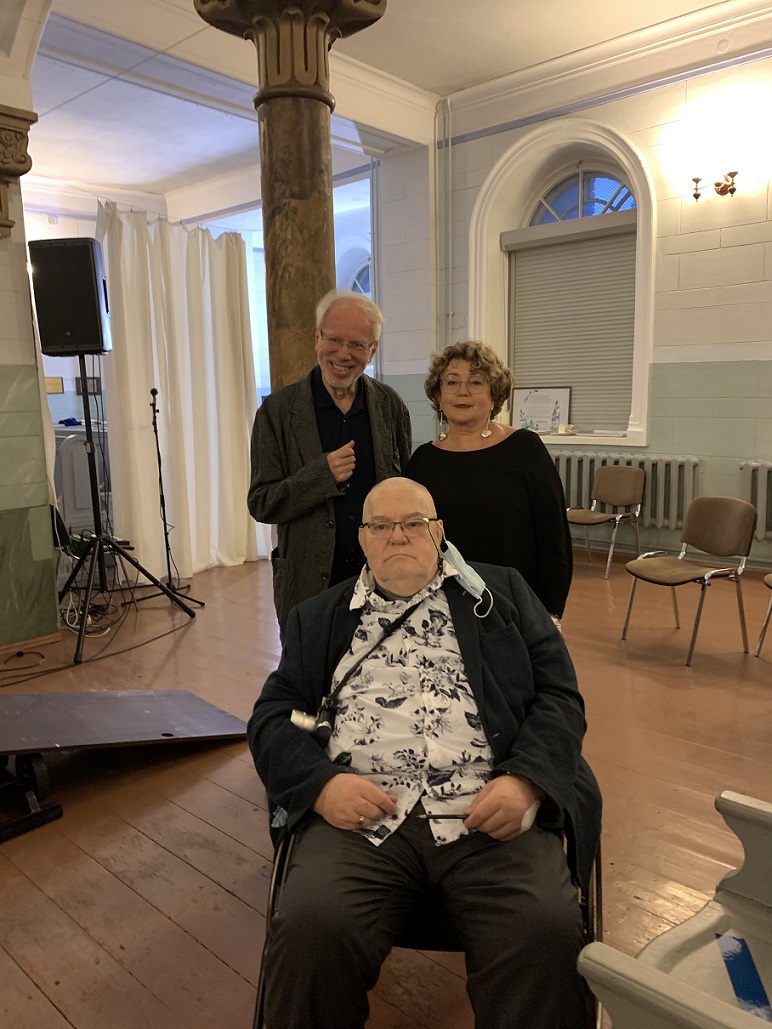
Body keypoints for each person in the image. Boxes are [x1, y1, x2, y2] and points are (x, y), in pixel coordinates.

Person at [247, 477, 601, 1029]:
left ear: (438, 532)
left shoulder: (501, 595)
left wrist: (526, 781)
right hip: (361, 821)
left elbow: (560, 695)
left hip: (488, 810)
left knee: (544, 931)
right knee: (311, 928)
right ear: (362, 539)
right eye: (381, 526)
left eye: (414, 523)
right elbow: (272, 718)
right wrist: (320, 786)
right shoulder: (318, 618)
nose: (398, 536)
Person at [247, 289, 412, 634]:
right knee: (310, 669)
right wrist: (320, 476)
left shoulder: (390, 406)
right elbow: (262, 503)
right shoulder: (277, 412)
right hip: (308, 587)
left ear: (372, 351)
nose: (343, 354)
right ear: (317, 338)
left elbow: (403, 492)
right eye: (334, 339)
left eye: (356, 344)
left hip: (382, 582)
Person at [405, 341, 573, 621]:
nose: (463, 391)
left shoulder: (524, 449)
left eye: (476, 382)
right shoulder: (423, 461)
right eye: (452, 382)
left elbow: (554, 538)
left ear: (494, 394)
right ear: (438, 394)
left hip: (514, 604)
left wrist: (551, 613)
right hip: (441, 607)